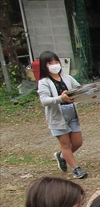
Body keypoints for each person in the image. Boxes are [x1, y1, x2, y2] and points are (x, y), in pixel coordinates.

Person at [37, 51, 88, 179]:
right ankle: (76, 169)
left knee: (77, 142)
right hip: (57, 116)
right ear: (44, 65)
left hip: (71, 112)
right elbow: (44, 101)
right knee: (65, 144)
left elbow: (78, 88)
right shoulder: (44, 82)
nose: (54, 65)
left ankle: (61, 156)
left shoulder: (66, 77)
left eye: (56, 61)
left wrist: (88, 91)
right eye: (50, 63)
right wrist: (61, 98)